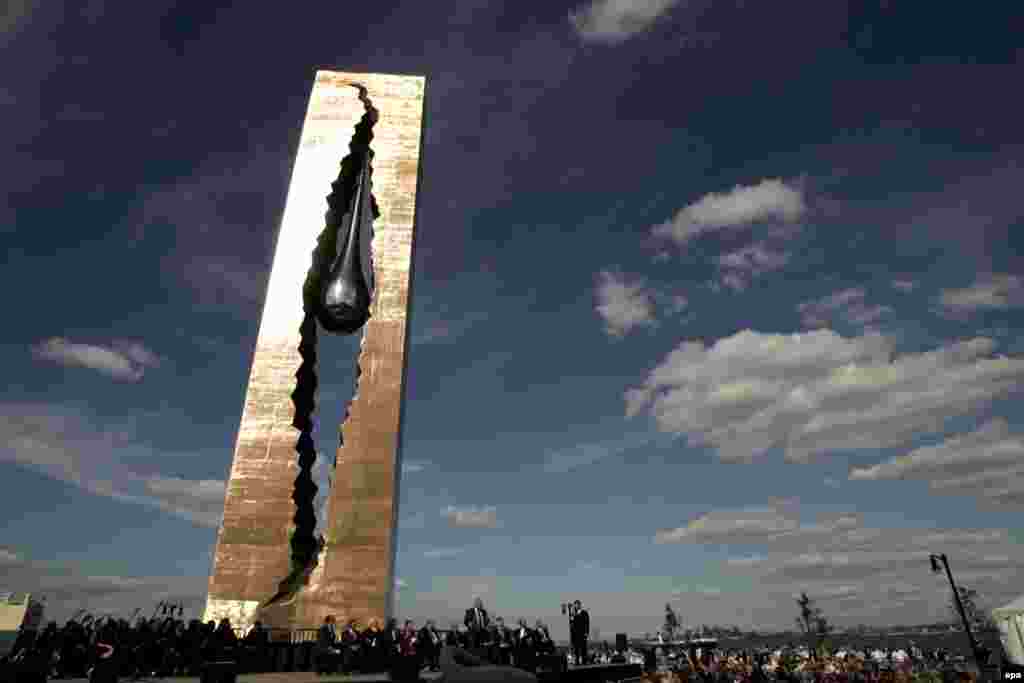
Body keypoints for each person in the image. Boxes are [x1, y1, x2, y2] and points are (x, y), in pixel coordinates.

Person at [569, 601, 590, 666]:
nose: (576, 606)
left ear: (579, 605)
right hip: (575, 634)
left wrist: (586, 632)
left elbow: (587, 623)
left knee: (583, 648)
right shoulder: (573, 614)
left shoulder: (584, 613)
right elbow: (571, 623)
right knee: (576, 649)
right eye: (575, 605)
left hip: (583, 633)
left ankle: (584, 661)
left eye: (577, 605)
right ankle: (577, 661)